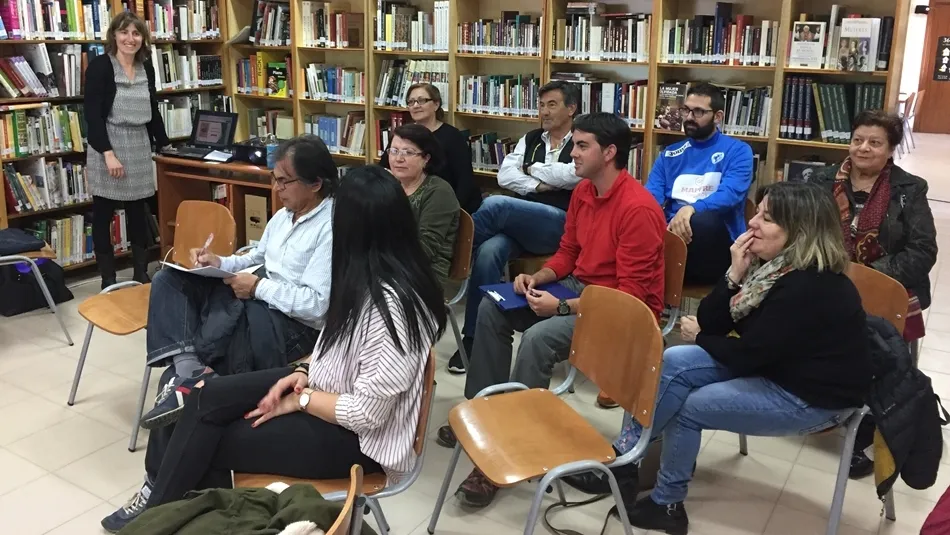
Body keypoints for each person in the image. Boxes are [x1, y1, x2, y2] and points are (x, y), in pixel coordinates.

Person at [102, 165, 447, 533]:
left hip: (358, 441)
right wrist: (301, 373)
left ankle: (158, 518)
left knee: (206, 438)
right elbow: (333, 349)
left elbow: (366, 414)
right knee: (200, 398)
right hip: (323, 390)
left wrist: (299, 400)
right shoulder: (365, 278)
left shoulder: (394, 306)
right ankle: (162, 510)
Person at [562, 182, 870, 535]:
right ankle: (625, 461)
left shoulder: (810, 285)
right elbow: (715, 320)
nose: (752, 222)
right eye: (758, 212)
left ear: (800, 232)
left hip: (812, 397)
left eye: (767, 219)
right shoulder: (771, 270)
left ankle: (667, 503)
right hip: (779, 367)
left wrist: (703, 338)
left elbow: (747, 355)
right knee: (675, 359)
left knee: (692, 405)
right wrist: (734, 273)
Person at [441, 112, 667, 509]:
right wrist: (541, 277)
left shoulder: (639, 209)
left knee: (538, 337)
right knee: (495, 309)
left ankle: (514, 443)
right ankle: (484, 416)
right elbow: (569, 252)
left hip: (623, 311)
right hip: (582, 290)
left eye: (582, 146)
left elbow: (629, 296)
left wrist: (561, 305)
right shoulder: (583, 192)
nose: (572, 154)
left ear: (610, 152)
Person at [138, 135, 336, 431]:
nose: (276, 188)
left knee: (230, 317)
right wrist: (219, 262)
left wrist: (256, 287)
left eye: (285, 182)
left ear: (316, 183)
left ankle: (197, 385)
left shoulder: (331, 227)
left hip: (295, 325)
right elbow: (257, 255)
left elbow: (316, 307)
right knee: (169, 280)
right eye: (274, 178)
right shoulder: (284, 216)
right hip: (263, 296)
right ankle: (191, 370)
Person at [814, 109, 938, 478]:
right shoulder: (821, 181)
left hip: (887, 289)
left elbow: (922, 251)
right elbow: (804, 233)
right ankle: (818, 405)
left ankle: (868, 428)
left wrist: (867, 278)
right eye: (857, 140)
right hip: (829, 282)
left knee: (876, 347)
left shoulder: (909, 189)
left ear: (891, 150)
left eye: (875, 142)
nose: (863, 149)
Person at [447, 80, 582, 375]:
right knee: (488, 252)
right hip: (524, 222)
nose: (544, 112)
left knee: (497, 205)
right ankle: (472, 338)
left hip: (562, 224)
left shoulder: (582, 140)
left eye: (552, 105)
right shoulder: (532, 138)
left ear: (571, 109)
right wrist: (539, 183)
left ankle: (447, 254)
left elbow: (574, 176)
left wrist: (532, 169)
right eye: (541, 104)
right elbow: (505, 175)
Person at [84, 12, 170, 289]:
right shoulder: (100, 67)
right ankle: (107, 277)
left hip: (138, 143)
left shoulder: (147, 68)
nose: (129, 39)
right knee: (103, 213)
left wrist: (166, 144)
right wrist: (107, 153)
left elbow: (153, 109)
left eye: (135, 33)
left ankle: (140, 272)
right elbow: (92, 116)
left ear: (142, 38)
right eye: (124, 33)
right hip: (107, 143)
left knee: (138, 211)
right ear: (114, 36)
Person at [645, 82, 754, 285]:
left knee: (703, 222)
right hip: (670, 239)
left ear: (718, 117)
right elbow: (651, 197)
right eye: (686, 110)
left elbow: (730, 194)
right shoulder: (669, 153)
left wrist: (691, 209)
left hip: (715, 244)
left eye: (698, 112)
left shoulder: (738, 151)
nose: (689, 118)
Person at [379, 82, 482, 214]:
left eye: (422, 100)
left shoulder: (452, 136)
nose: (415, 105)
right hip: (412, 203)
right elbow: (383, 167)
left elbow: (465, 180)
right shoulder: (403, 134)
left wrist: (453, 212)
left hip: (447, 205)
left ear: (436, 104)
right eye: (411, 102)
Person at [382, 123, 460, 281]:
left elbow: (425, 250)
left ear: (426, 158)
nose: (398, 159)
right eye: (394, 151)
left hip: (425, 275)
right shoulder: (389, 185)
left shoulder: (438, 191)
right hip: (389, 265)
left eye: (408, 153)